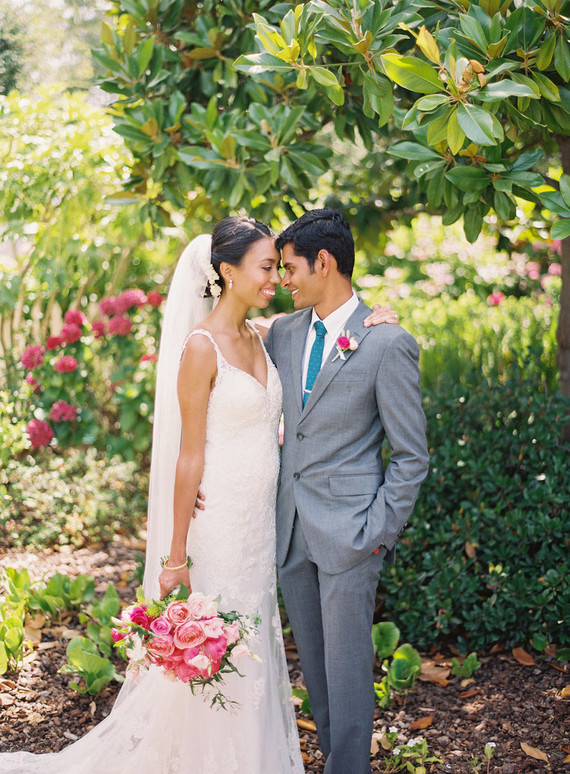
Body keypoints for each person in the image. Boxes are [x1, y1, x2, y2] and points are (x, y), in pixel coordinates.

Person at [0, 217, 305, 773]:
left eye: (278, 268)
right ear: (226, 271)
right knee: (215, 646)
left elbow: (323, 323)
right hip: (215, 528)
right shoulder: (201, 348)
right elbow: (188, 455)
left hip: (258, 526)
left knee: (253, 638)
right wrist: (175, 555)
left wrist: (376, 316)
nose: (275, 278)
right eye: (266, 267)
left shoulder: (263, 336)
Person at [264, 209, 430, 774]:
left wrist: (378, 531)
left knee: (350, 666)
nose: (282, 279)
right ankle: (336, 759)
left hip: (353, 532)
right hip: (292, 530)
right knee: (314, 664)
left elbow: (412, 456)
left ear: (324, 262)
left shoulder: (387, 344)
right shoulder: (283, 333)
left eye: (289, 268)